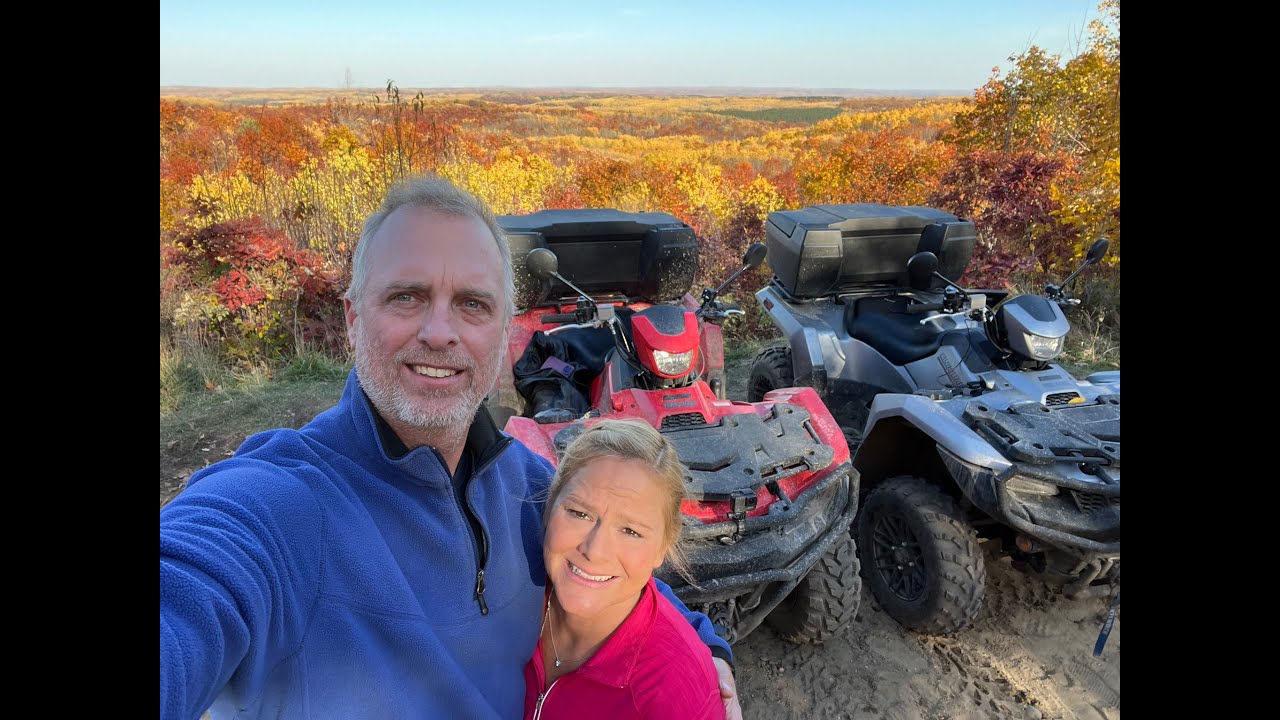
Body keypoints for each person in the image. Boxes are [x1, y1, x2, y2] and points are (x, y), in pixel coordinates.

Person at [159, 176, 741, 720]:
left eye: (472, 303)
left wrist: (703, 643)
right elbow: (190, 584)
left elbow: (611, 560)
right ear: (353, 319)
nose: (440, 332)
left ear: (505, 329)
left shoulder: (527, 485)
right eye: (407, 296)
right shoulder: (277, 508)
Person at [526, 419, 724, 719]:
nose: (594, 550)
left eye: (631, 531)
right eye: (579, 513)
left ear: (663, 547)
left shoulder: (677, 698)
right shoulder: (513, 583)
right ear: (550, 506)